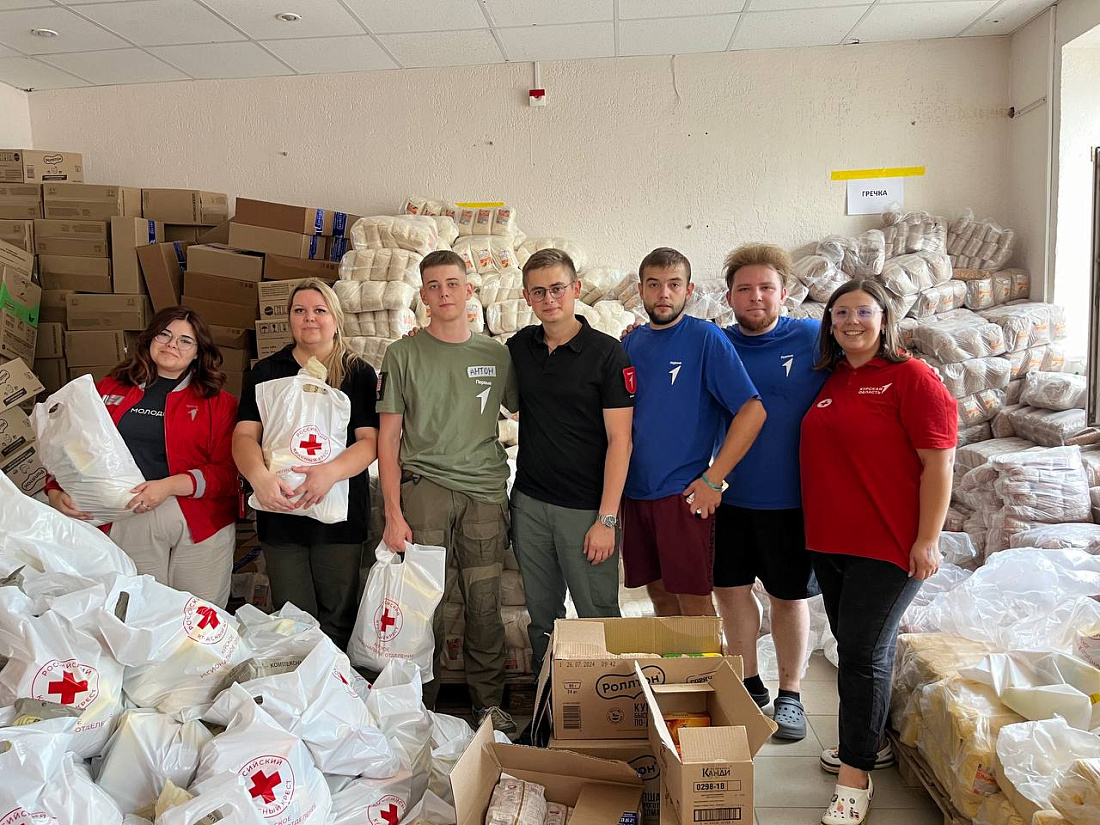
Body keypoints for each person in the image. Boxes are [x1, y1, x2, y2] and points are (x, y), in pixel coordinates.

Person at [800, 279, 956, 825]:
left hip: (888, 543)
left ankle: (855, 774)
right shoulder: (834, 377)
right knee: (859, 647)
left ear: (885, 319)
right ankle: (873, 743)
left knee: (863, 655)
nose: (851, 321)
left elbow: (940, 464)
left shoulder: (912, 378)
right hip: (831, 542)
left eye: (863, 312)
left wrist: (928, 539)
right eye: (840, 312)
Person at [377, 249, 518, 731]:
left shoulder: (497, 355)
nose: (444, 293)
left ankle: (488, 705)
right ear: (423, 296)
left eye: (452, 283)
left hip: (484, 494)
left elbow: (533, 408)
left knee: (484, 603)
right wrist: (393, 512)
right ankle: (422, 709)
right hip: (424, 493)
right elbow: (388, 439)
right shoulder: (402, 354)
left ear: (469, 290)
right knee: (422, 607)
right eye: (434, 286)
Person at [46, 306, 239, 606]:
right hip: (131, 514)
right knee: (140, 612)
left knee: (199, 617)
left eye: (185, 340)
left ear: (199, 352)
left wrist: (169, 486)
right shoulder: (110, 388)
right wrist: (54, 489)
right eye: (165, 334)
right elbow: (69, 443)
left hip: (201, 522)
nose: (172, 344)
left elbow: (229, 474)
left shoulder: (219, 403)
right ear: (150, 339)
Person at [712, 244, 827, 739]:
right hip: (728, 497)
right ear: (730, 297)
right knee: (730, 592)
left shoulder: (814, 338)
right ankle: (750, 683)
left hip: (791, 500)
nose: (755, 297)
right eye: (745, 289)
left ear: (784, 293)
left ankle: (791, 694)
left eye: (765, 288)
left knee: (787, 597)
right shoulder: (716, 344)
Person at [506, 248, 634, 675]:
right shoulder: (520, 347)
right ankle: (551, 699)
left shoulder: (607, 354)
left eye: (558, 288)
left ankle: (611, 701)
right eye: (539, 291)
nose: (549, 299)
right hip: (530, 504)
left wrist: (607, 519)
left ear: (576, 289)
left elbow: (621, 442)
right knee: (542, 618)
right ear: (527, 297)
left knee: (598, 615)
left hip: (585, 511)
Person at [233, 278, 379, 649]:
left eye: (319, 310)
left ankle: (337, 681)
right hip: (281, 510)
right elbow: (244, 436)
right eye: (300, 310)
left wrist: (330, 473)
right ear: (290, 319)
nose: (309, 318)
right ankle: (302, 681)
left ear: (336, 318)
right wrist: (259, 478)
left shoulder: (358, 373)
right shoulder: (267, 372)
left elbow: (369, 443)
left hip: (339, 513)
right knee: (291, 618)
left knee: (337, 615)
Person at [620, 247, 766, 617]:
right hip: (636, 494)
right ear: (640, 290)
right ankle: (673, 658)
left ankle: (706, 660)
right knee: (659, 596)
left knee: (695, 602)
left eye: (673, 284)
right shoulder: (630, 343)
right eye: (654, 284)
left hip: (683, 494)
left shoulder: (705, 338)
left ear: (689, 290)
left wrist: (714, 479)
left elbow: (752, 411)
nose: (663, 293)